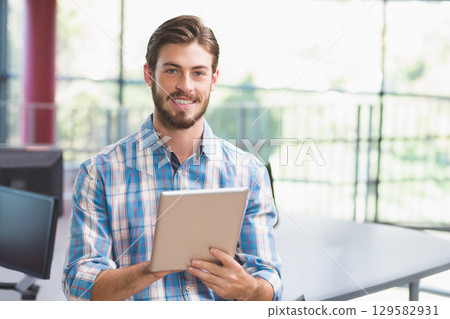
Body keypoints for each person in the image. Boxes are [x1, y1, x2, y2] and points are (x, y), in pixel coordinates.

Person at [62, 15, 282, 301]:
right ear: (149, 75)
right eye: (173, 71)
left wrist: (250, 289)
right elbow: (79, 284)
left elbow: (270, 281)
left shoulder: (249, 172)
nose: (185, 86)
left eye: (198, 73)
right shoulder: (100, 172)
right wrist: (156, 267)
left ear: (214, 80)